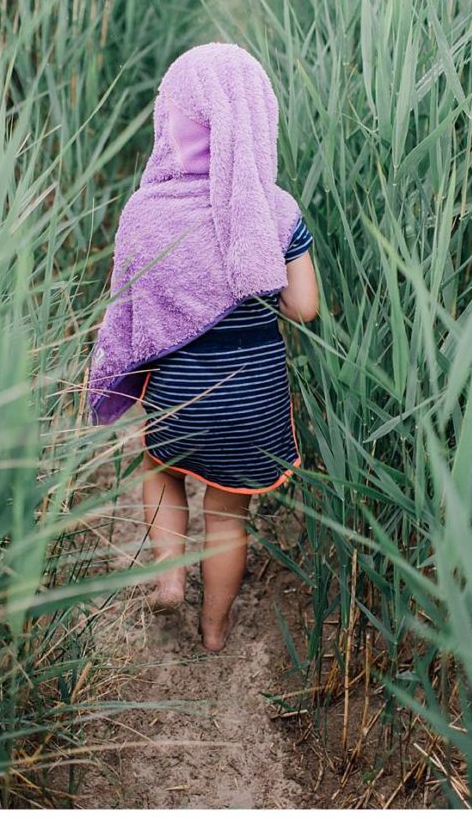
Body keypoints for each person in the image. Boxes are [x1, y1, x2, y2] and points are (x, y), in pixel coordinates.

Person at [88, 42, 318, 652]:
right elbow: (305, 307)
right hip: (252, 401)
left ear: (173, 125)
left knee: (158, 465)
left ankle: (168, 576)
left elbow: (131, 311)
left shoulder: (147, 211)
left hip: (180, 396)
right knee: (228, 515)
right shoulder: (277, 209)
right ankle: (214, 633)